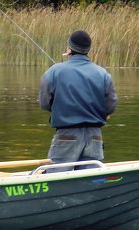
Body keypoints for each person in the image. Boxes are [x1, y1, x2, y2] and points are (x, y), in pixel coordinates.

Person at [38, 29, 117, 165]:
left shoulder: (53, 72)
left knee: (58, 178)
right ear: (88, 50)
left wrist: (61, 108)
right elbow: (110, 106)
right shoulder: (103, 74)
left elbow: (44, 103)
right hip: (95, 138)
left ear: (69, 49)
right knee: (91, 180)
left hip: (66, 136)